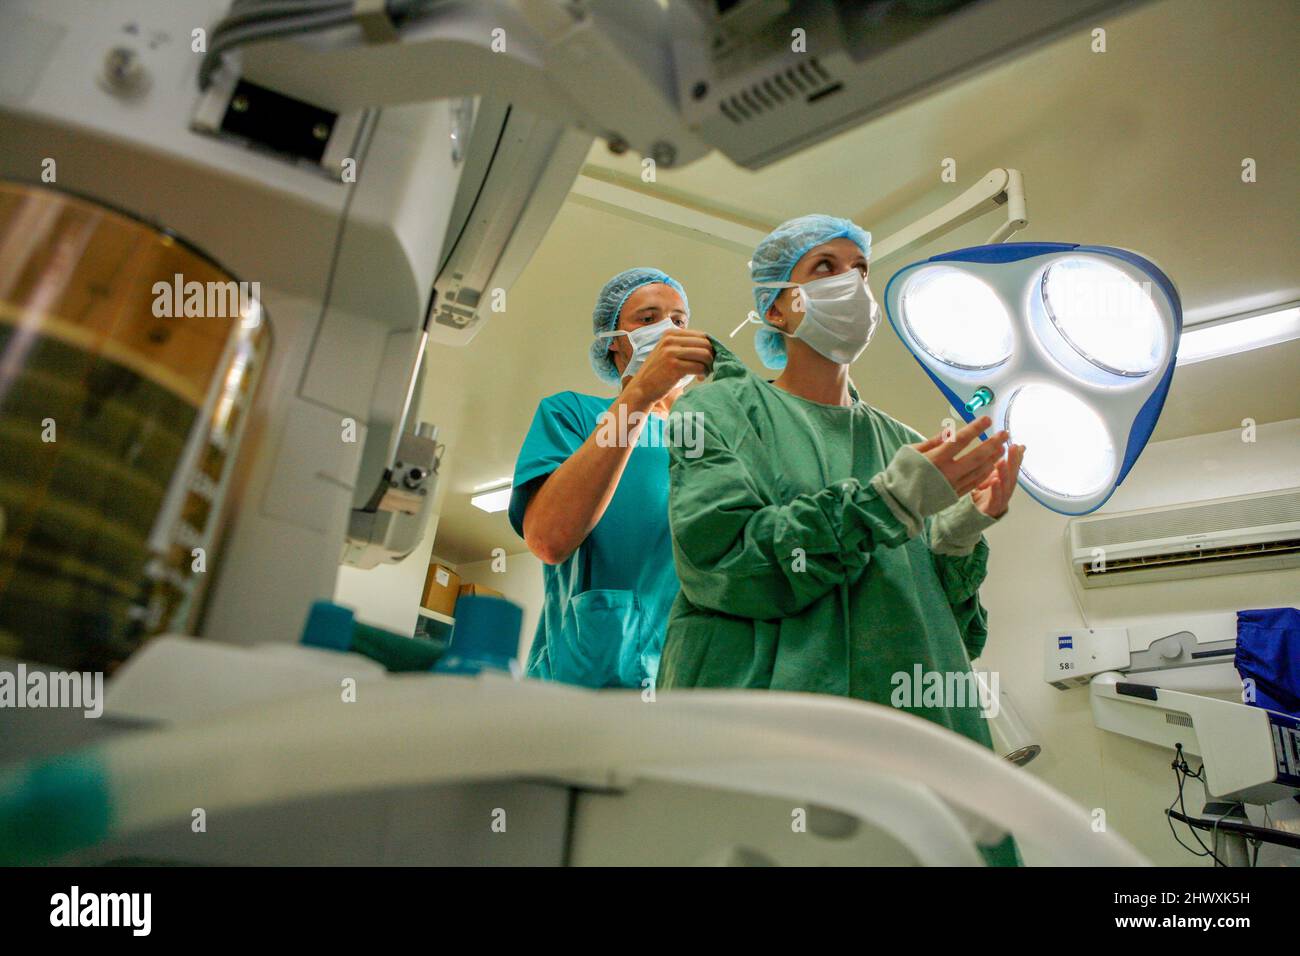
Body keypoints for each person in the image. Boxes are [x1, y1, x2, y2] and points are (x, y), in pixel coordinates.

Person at [657, 215, 1026, 864]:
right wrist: (890, 501)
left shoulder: (902, 441)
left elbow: (952, 638)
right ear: (776, 305)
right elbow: (725, 564)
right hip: (780, 760)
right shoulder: (720, 413)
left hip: (924, 755)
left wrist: (959, 535)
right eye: (824, 268)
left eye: (860, 270)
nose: (852, 284)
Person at [508, 267, 713, 689]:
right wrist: (640, 395)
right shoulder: (574, 414)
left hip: (695, 680)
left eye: (678, 320)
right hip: (589, 678)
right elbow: (548, 538)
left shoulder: (711, 441)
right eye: (647, 318)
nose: (667, 330)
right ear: (613, 341)